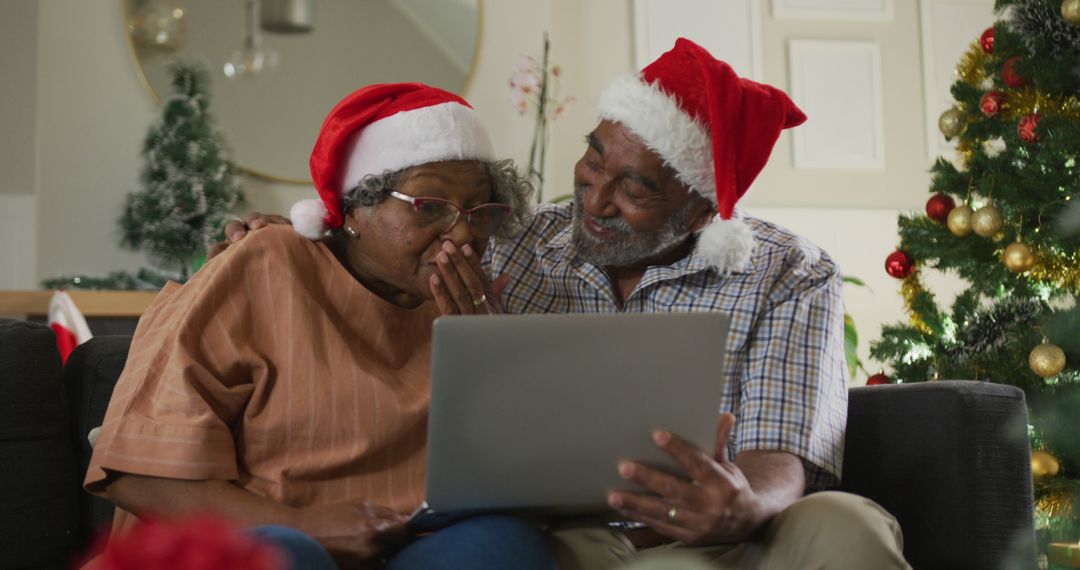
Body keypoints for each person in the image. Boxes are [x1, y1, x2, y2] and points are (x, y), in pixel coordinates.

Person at [220, 39, 911, 569]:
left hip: (742, 520)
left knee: (852, 525)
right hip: (572, 530)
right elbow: (385, 256)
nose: (594, 193)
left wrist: (741, 505)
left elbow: (783, 452)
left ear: (702, 208)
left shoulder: (789, 271)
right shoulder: (511, 242)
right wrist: (297, 239)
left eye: (635, 188)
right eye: (594, 157)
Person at [84, 83, 556, 570]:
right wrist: (304, 526)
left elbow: (519, 476)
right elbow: (136, 473)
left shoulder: (471, 303)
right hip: (262, 538)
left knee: (503, 545)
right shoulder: (266, 263)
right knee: (286, 555)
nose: (462, 234)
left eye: (478, 213)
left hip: (404, 542)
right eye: (429, 206)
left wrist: (484, 356)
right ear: (354, 207)